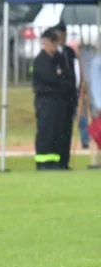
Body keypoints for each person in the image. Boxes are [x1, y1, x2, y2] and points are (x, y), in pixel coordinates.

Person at [33, 28, 72, 171]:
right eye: (52, 43)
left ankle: (56, 161)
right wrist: (60, 78)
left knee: (58, 131)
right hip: (46, 101)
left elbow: (67, 77)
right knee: (46, 131)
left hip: (59, 102)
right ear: (45, 43)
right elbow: (50, 79)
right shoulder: (41, 60)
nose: (55, 47)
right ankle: (43, 161)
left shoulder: (59, 59)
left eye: (56, 44)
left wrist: (61, 78)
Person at [54, 23, 80, 169]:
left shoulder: (69, 52)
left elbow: (73, 73)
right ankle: (56, 159)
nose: (63, 38)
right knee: (58, 129)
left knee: (67, 131)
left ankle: (65, 160)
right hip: (58, 98)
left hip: (70, 96)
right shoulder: (53, 54)